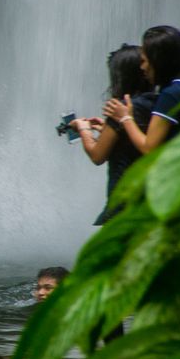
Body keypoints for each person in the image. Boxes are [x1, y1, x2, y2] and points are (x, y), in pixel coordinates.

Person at [69, 44, 157, 224]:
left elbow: (97, 155)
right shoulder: (155, 102)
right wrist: (105, 130)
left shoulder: (120, 109)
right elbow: (135, 140)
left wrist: (83, 128)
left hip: (122, 201)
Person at [104, 25, 180, 152]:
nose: (142, 67)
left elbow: (149, 148)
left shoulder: (171, 95)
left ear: (158, 61)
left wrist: (125, 118)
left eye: (144, 61)